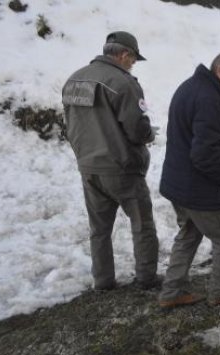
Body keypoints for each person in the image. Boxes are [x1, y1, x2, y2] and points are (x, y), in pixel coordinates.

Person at [62, 31, 160, 291]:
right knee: (142, 224)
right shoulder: (123, 82)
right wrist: (150, 133)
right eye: (134, 59)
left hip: (89, 167)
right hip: (122, 168)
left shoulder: (74, 80)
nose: (133, 64)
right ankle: (147, 278)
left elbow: (70, 126)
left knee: (99, 230)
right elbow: (137, 129)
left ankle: (103, 281)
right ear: (124, 54)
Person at [158, 51, 220, 309]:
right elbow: (204, 154)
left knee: (189, 234)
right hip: (198, 189)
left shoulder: (191, 87)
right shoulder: (208, 99)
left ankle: (171, 292)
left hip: (180, 184)